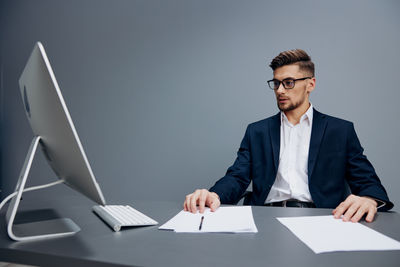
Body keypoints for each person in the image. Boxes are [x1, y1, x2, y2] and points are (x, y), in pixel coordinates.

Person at [183, 49, 393, 223]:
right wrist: (214, 194)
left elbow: (367, 180)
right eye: (276, 83)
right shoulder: (257, 131)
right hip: (265, 217)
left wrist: (369, 198)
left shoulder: (340, 130)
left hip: (324, 219)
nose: (280, 90)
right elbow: (237, 177)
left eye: (289, 82)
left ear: (310, 84)